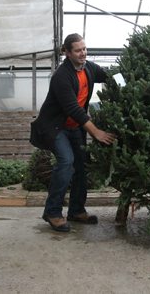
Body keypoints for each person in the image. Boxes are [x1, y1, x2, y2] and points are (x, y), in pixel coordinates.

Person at [30, 33, 115, 232]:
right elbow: (74, 109)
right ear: (67, 53)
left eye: (84, 49)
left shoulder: (89, 68)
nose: (83, 53)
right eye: (78, 50)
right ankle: (52, 212)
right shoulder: (62, 76)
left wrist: (129, 84)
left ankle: (76, 210)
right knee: (66, 162)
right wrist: (96, 132)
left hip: (74, 127)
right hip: (55, 127)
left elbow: (110, 76)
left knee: (81, 165)